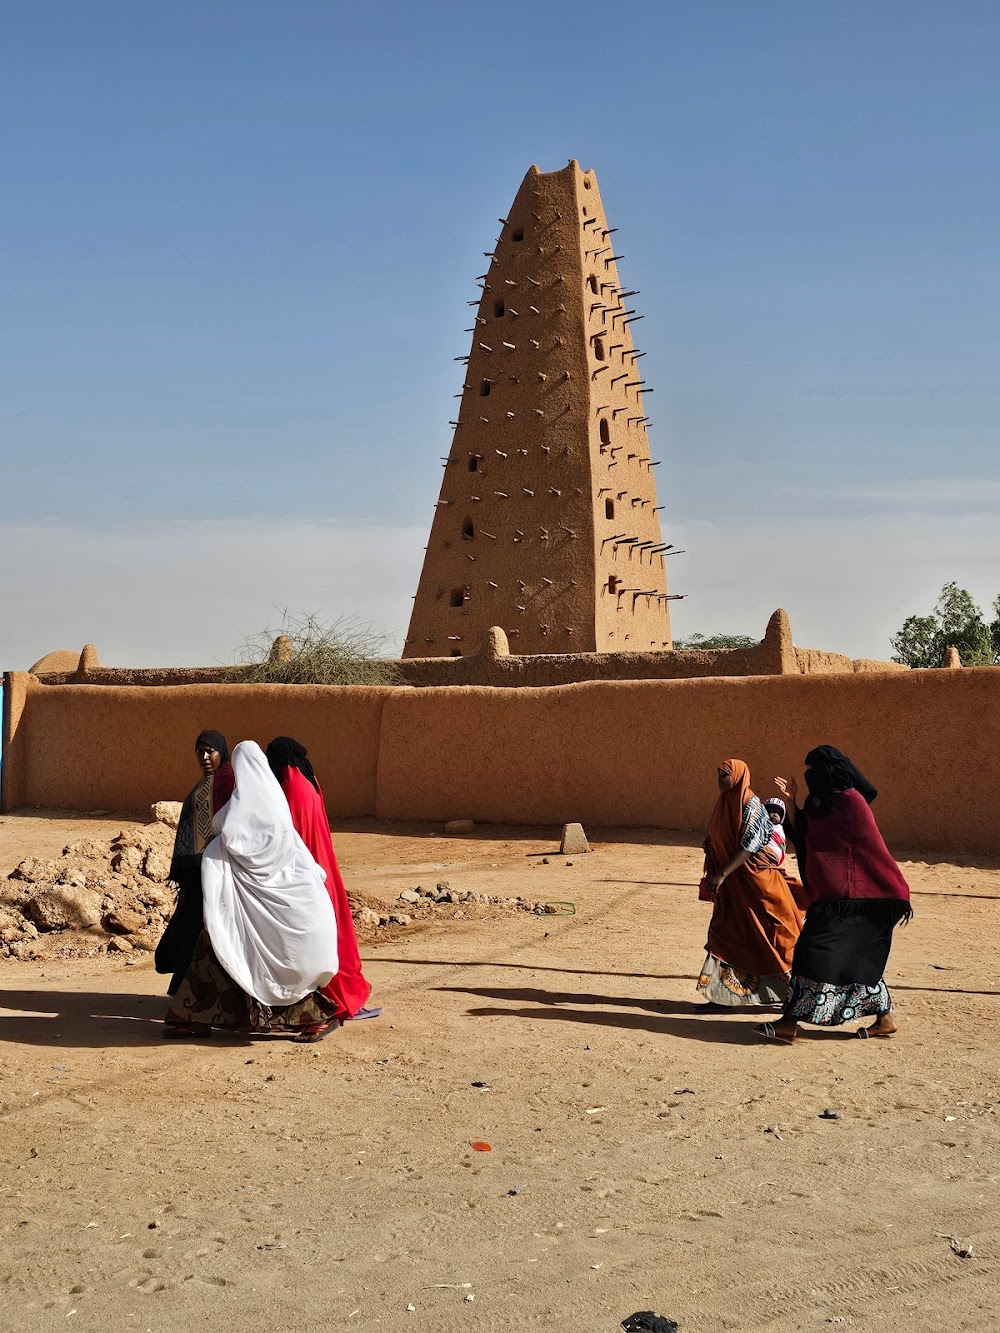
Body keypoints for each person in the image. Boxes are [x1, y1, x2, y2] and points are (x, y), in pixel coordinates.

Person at [164, 740, 341, 1043]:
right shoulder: (277, 805)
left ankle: (317, 1018)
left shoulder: (242, 806)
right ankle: (194, 1018)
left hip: (244, 904)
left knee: (224, 949)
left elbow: (231, 837)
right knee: (240, 958)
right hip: (281, 902)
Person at [758, 745, 912, 1044]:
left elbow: (837, 846)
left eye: (813, 773)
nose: (810, 779)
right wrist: (791, 802)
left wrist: (799, 807)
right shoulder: (827, 805)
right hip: (851, 898)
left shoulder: (851, 803)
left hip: (868, 897)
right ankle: (885, 1020)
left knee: (811, 953)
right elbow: (805, 837)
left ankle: (790, 1023)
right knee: (860, 960)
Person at [265, 736, 379, 1022]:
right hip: (326, 870)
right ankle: (348, 998)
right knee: (336, 933)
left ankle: (337, 1002)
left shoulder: (291, 787)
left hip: (307, 875)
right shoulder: (309, 781)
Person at [697, 759, 805, 1007]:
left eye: (724, 776)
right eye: (718, 776)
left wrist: (722, 874)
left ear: (737, 777)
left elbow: (750, 845)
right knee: (726, 933)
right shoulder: (723, 805)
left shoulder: (751, 804)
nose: (720, 782)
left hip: (755, 882)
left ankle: (792, 993)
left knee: (767, 936)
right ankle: (722, 997)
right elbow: (718, 835)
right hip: (734, 886)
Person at [155, 730, 235, 995]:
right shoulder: (207, 784)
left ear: (221, 752)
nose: (204, 757)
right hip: (197, 873)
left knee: (200, 932)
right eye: (199, 751)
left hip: (210, 873)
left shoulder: (225, 785)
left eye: (209, 751)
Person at [763, 797, 787, 867]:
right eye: (771, 811)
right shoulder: (763, 825)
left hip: (775, 863)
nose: (775, 815)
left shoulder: (780, 828)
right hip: (765, 859)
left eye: (778, 813)